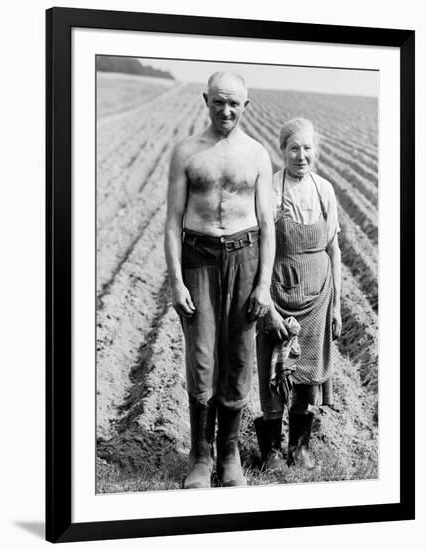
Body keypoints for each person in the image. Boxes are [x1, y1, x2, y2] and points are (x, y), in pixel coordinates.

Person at [164, 71, 275, 488]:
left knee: (240, 357)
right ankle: (200, 456)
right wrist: (176, 281)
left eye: (235, 103)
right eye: (219, 101)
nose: (226, 110)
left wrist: (263, 284)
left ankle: (229, 455)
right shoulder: (187, 151)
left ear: (247, 105)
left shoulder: (258, 155)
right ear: (205, 99)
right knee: (202, 357)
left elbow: (267, 224)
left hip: (244, 259)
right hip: (199, 259)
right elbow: (173, 222)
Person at [255, 117, 342, 471]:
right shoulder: (271, 189)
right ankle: (272, 451)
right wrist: (265, 301)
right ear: (282, 151)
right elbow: (260, 245)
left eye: (307, 148)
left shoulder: (325, 191)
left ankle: (300, 447)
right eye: (294, 148)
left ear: (315, 151)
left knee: (307, 375)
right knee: (275, 370)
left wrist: (336, 305)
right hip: (278, 295)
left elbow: (334, 250)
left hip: (317, 297)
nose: (300, 155)